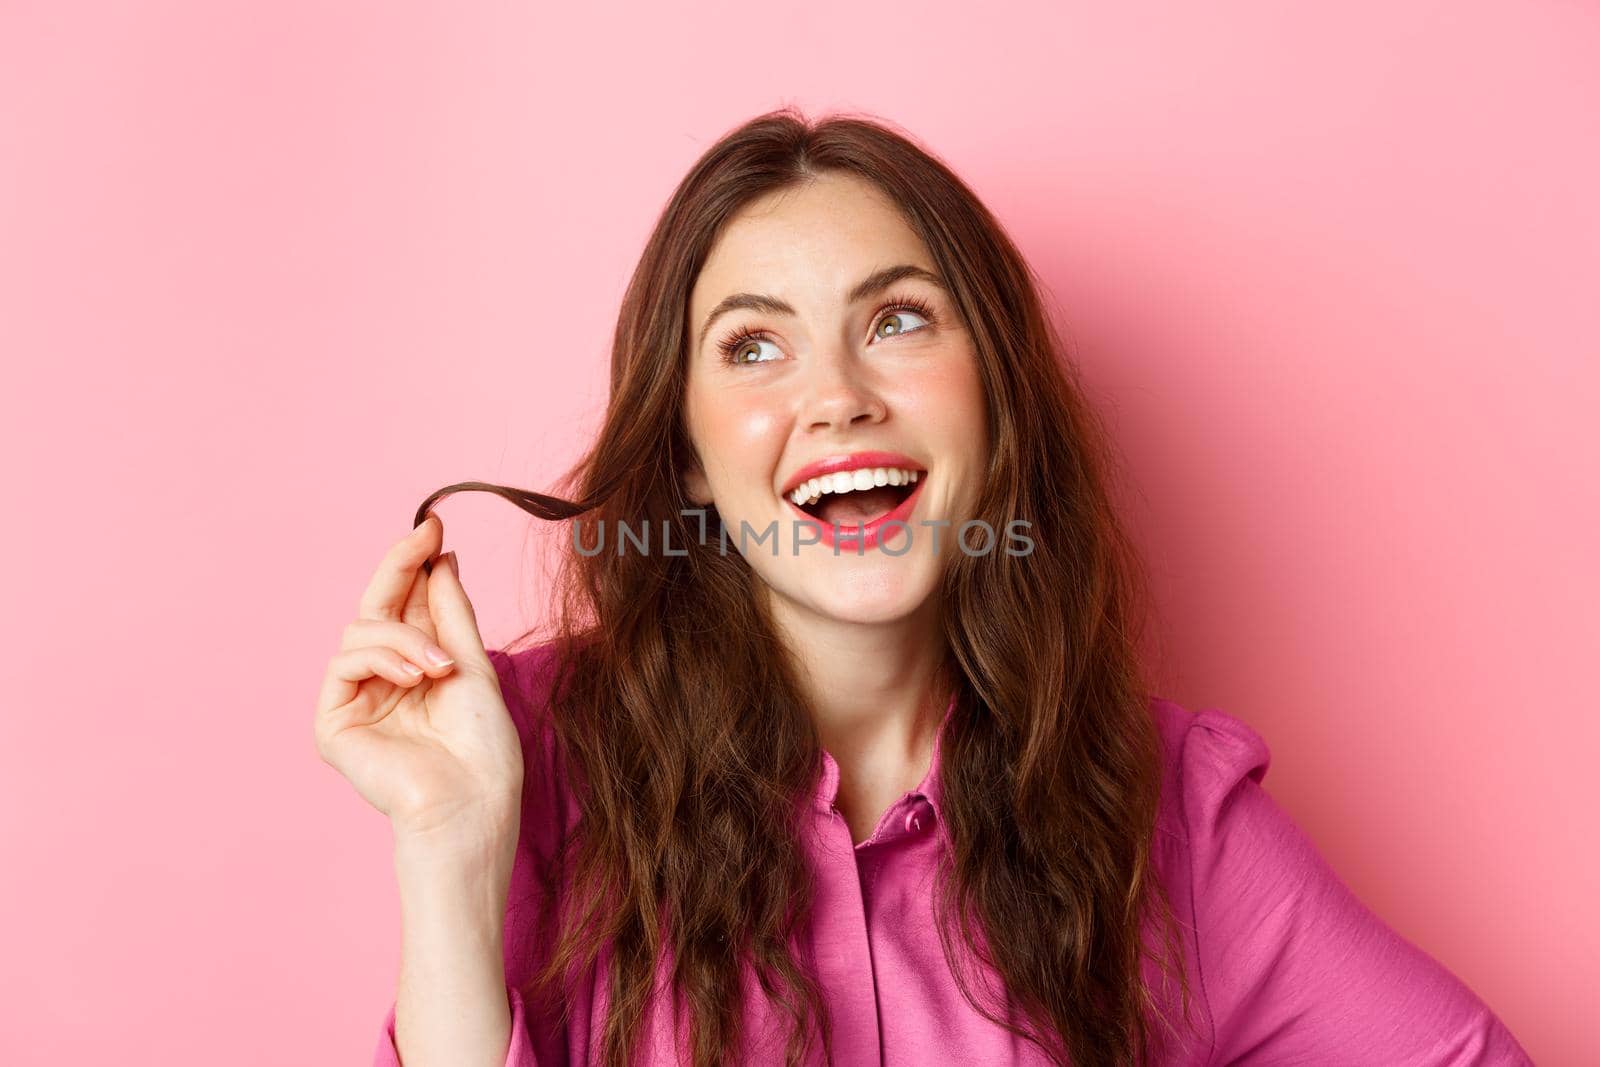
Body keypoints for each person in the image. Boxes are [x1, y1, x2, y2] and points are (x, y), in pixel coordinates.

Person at [313, 108, 1533, 1067]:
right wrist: (446, 851)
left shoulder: (1170, 822)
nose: (837, 393)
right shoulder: (525, 763)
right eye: (753, 345)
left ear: (995, 402)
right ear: (685, 454)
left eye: (897, 320)